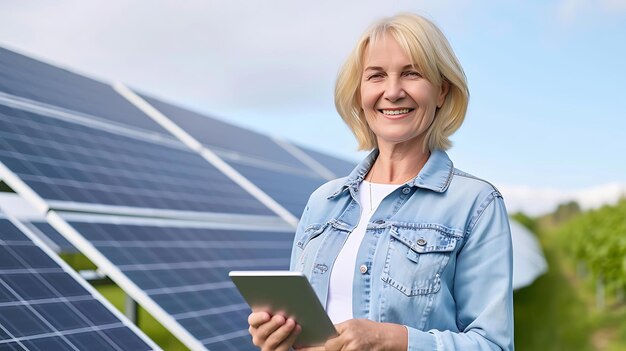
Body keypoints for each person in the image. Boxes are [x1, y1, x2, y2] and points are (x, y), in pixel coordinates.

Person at [248, 13, 514, 351]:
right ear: (359, 93)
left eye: (411, 73)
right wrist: (279, 337)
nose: (392, 91)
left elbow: (493, 345)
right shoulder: (323, 202)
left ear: (442, 91)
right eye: (376, 76)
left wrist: (394, 340)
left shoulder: (476, 203)